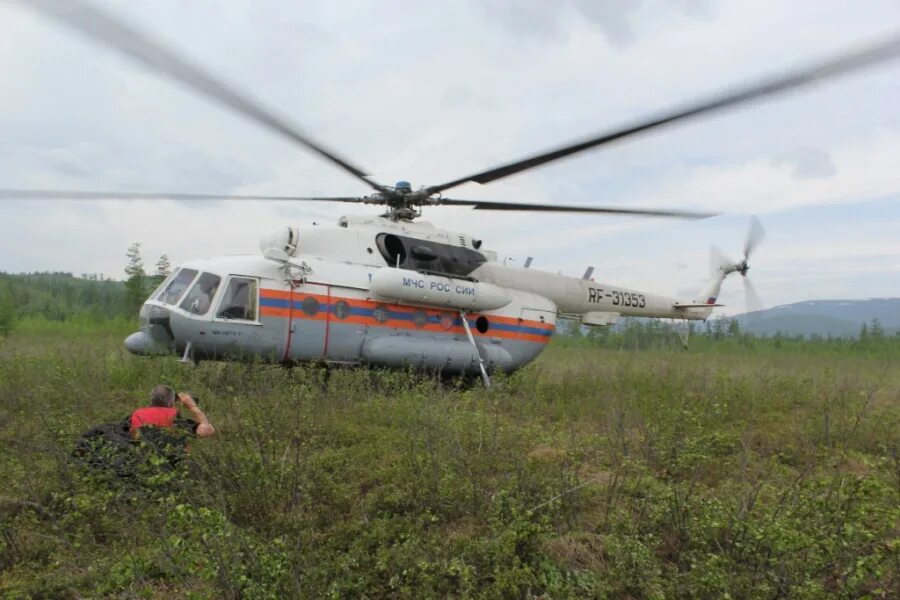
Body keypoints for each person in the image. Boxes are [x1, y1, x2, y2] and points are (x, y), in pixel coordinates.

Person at [130, 384, 215, 438]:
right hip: (170, 463)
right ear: (171, 402)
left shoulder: (135, 415)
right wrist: (193, 407)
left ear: (151, 400)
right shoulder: (175, 419)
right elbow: (207, 431)